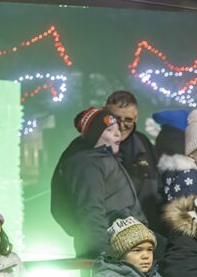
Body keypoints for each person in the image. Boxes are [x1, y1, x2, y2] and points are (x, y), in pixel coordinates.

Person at [51, 107, 146, 259]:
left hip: (127, 244)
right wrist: (104, 252)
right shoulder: (88, 164)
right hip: (112, 250)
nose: (118, 133)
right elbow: (90, 211)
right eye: (109, 130)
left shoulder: (102, 159)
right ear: (94, 136)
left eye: (117, 129)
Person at [105, 91, 161, 229]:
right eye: (116, 119)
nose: (121, 126)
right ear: (105, 115)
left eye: (128, 120)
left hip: (145, 236)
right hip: (104, 237)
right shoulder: (90, 146)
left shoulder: (144, 143)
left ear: (136, 118)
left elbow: (158, 187)